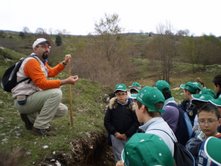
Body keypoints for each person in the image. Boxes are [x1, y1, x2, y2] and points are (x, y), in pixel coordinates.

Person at [11, 38, 79, 136]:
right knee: (56, 93)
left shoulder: (41, 62)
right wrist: (65, 81)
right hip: (23, 101)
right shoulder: (31, 62)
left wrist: (64, 62)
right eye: (43, 46)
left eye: (48, 47)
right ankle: (39, 127)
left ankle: (30, 118)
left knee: (62, 110)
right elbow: (42, 84)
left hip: (31, 98)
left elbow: (51, 72)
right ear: (35, 49)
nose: (47, 49)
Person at [134, 86, 177, 156]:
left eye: (135, 105)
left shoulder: (152, 136)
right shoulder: (162, 125)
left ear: (143, 108)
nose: (135, 109)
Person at [104, 83, 139, 162]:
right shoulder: (112, 106)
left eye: (123, 94)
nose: (121, 97)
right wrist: (115, 133)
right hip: (116, 137)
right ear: (116, 95)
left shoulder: (132, 105)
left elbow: (136, 122)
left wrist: (127, 134)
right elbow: (107, 122)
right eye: (118, 94)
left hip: (130, 136)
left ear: (126, 93)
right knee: (119, 158)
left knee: (130, 156)